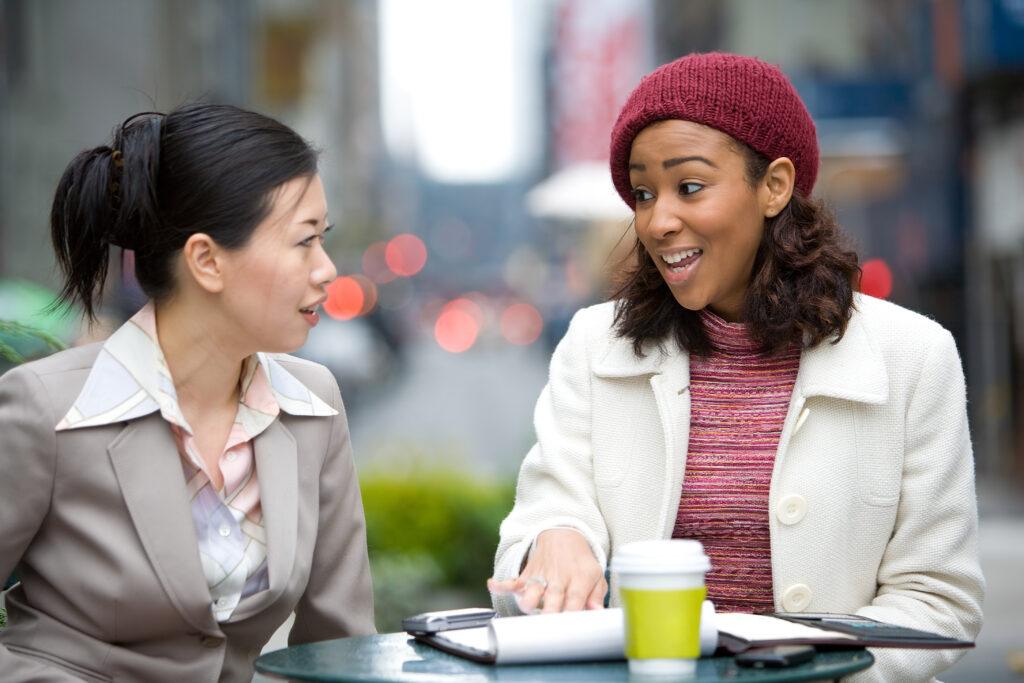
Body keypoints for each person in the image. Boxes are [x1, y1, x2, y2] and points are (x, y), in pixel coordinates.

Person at [489, 53, 983, 682]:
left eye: (688, 186)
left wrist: (812, 675)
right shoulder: (594, 344)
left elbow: (940, 601)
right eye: (643, 193)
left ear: (774, 186)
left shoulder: (915, 357)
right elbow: (537, 525)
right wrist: (554, 539)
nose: (658, 220)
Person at [0, 103, 375, 682]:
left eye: (323, 240)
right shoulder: (46, 408)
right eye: (304, 242)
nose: (327, 270)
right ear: (206, 259)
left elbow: (341, 643)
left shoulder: (313, 404)